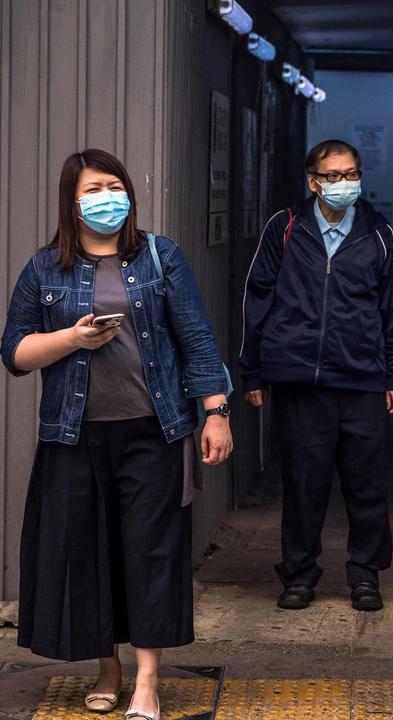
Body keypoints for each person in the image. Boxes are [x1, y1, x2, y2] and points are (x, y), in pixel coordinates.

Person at [1, 149, 233, 720]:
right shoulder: (44, 268)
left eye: (114, 184)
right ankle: (109, 670)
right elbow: (15, 352)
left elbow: (196, 338)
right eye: (93, 188)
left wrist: (217, 411)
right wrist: (71, 340)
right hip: (73, 435)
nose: (107, 196)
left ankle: (148, 681)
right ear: (72, 202)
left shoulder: (160, 257)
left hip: (153, 430)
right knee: (89, 553)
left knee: (149, 552)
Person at [239, 139, 393, 613]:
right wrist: (253, 371)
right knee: (303, 485)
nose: (344, 184)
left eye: (351, 174)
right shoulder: (285, 228)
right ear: (312, 181)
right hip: (300, 382)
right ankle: (299, 575)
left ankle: (365, 575)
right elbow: (257, 299)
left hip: (363, 380)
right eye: (334, 176)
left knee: (367, 485)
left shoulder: (377, 232)